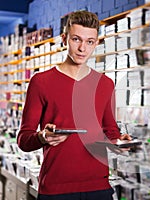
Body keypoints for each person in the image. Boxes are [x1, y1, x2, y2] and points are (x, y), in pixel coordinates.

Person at [17, 10, 131, 200]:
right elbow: (23, 139)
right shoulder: (41, 82)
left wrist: (120, 142)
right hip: (56, 188)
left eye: (89, 42)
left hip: (99, 186)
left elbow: (110, 131)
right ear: (64, 38)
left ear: (96, 43)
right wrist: (43, 137)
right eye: (76, 39)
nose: (82, 48)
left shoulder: (105, 84)